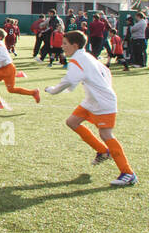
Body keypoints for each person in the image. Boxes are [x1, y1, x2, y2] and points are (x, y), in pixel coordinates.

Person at [43, 30, 136, 186]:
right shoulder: (86, 56)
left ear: (75, 45)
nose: (62, 46)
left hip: (102, 103)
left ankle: (128, 173)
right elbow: (106, 71)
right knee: (72, 122)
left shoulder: (76, 60)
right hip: (91, 101)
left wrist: (52, 90)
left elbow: (68, 81)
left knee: (106, 134)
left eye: (65, 43)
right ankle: (103, 151)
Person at [0, 28, 40, 111]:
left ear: (0, 37)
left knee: (11, 90)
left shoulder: (0, 45)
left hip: (7, 69)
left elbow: (3, 57)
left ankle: (33, 92)